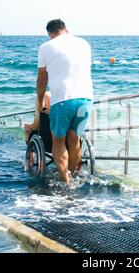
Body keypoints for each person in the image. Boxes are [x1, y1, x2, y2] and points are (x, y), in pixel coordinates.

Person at [34, 19, 93, 183]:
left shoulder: (46, 47)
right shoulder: (84, 44)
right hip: (86, 100)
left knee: (58, 141)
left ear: (50, 33)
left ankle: (66, 181)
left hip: (62, 100)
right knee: (74, 141)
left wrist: (40, 101)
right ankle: (74, 176)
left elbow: (41, 79)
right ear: (66, 29)